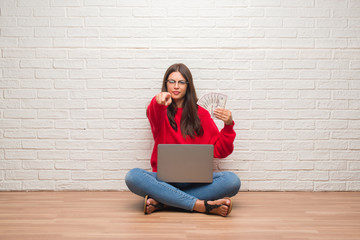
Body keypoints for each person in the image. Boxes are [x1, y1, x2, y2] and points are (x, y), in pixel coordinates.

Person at [125, 63, 240, 217]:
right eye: (171, 81)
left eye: (181, 82)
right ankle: (199, 205)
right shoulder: (159, 110)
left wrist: (228, 126)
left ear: (188, 85)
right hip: (163, 180)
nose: (176, 86)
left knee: (232, 181)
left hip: (196, 181)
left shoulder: (202, 114)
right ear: (166, 84)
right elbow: (154, 109)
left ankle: (165, 202)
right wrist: (157, 100)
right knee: (133, 176)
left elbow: (220, 151)